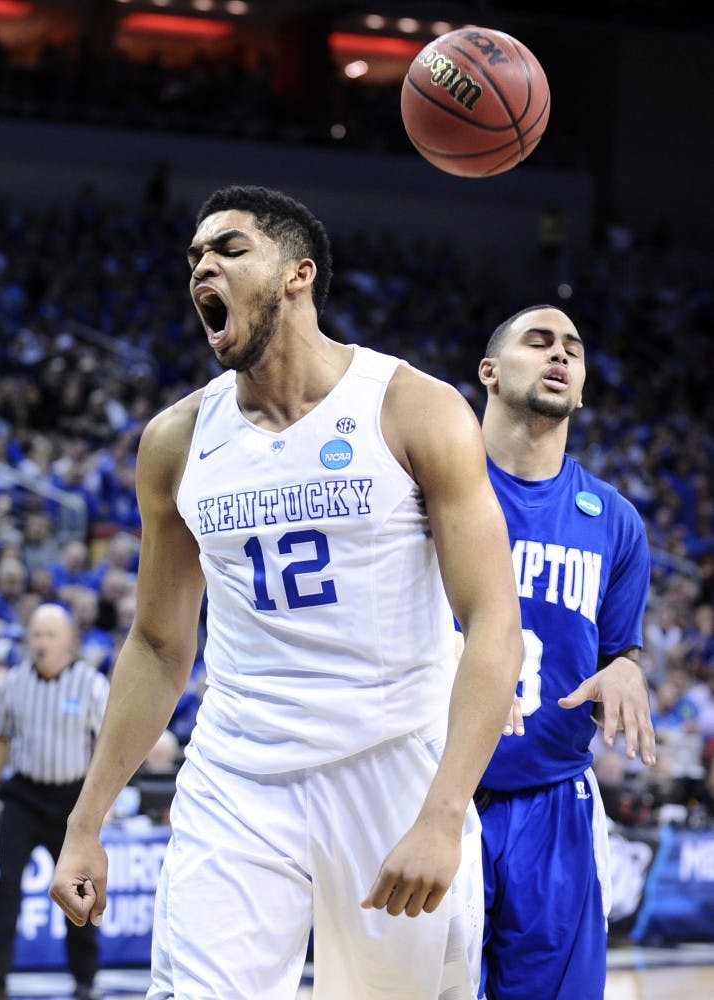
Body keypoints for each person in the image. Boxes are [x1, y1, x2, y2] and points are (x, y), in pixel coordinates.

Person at [49, 185, 524, 999]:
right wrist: (85, 821)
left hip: (390, 768)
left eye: (229, 249)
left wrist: (445, 812)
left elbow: (491, 622)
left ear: (298, 274)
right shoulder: (175, 440)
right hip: (237, 773)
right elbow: (160, 646)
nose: (204, 265)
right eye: (194, 257)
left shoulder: (413, 408)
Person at [473, 304, 656, 999]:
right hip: (430, 788)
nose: (560, 356)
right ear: (489, 371)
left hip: (555, 800)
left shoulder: (614, 518)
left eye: (573, 350)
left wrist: (629, 668)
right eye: (539, 341)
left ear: (580, 386)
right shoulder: (428, 488)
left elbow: (618, 651)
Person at [0, 602, 110, 1000]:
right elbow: (2, 738)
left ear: (69, 642)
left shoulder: (91, 684)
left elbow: (106, 747)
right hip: (24, 794)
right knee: (5, 883)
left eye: (50, 635)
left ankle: (85, 980)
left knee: (78, 889)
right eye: (36, 635)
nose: (41, 642)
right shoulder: (11, 683)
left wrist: (101, 806)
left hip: (72, 801)